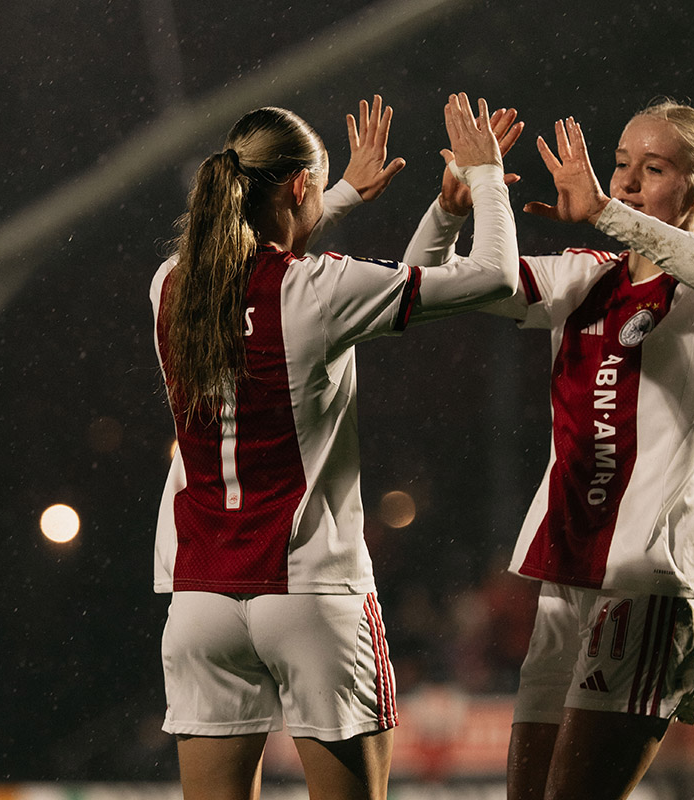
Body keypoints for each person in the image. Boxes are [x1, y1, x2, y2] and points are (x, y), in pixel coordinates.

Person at [149, 93, 519, 800]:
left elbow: (247, 250)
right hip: (310, 590)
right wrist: (486, 179)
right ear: (297, 188)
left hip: (201, 601)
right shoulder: (317, 289)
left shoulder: (169, 286)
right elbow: (494, 277)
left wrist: (342, 191)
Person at [404, 99, 694, 799]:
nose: (623, 183)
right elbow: (423, 292)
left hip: (652, 584)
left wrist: (604, 211)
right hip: (570, 580)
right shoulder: (585, 278)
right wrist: (453, 207)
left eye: (651, 170)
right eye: (620, 165)